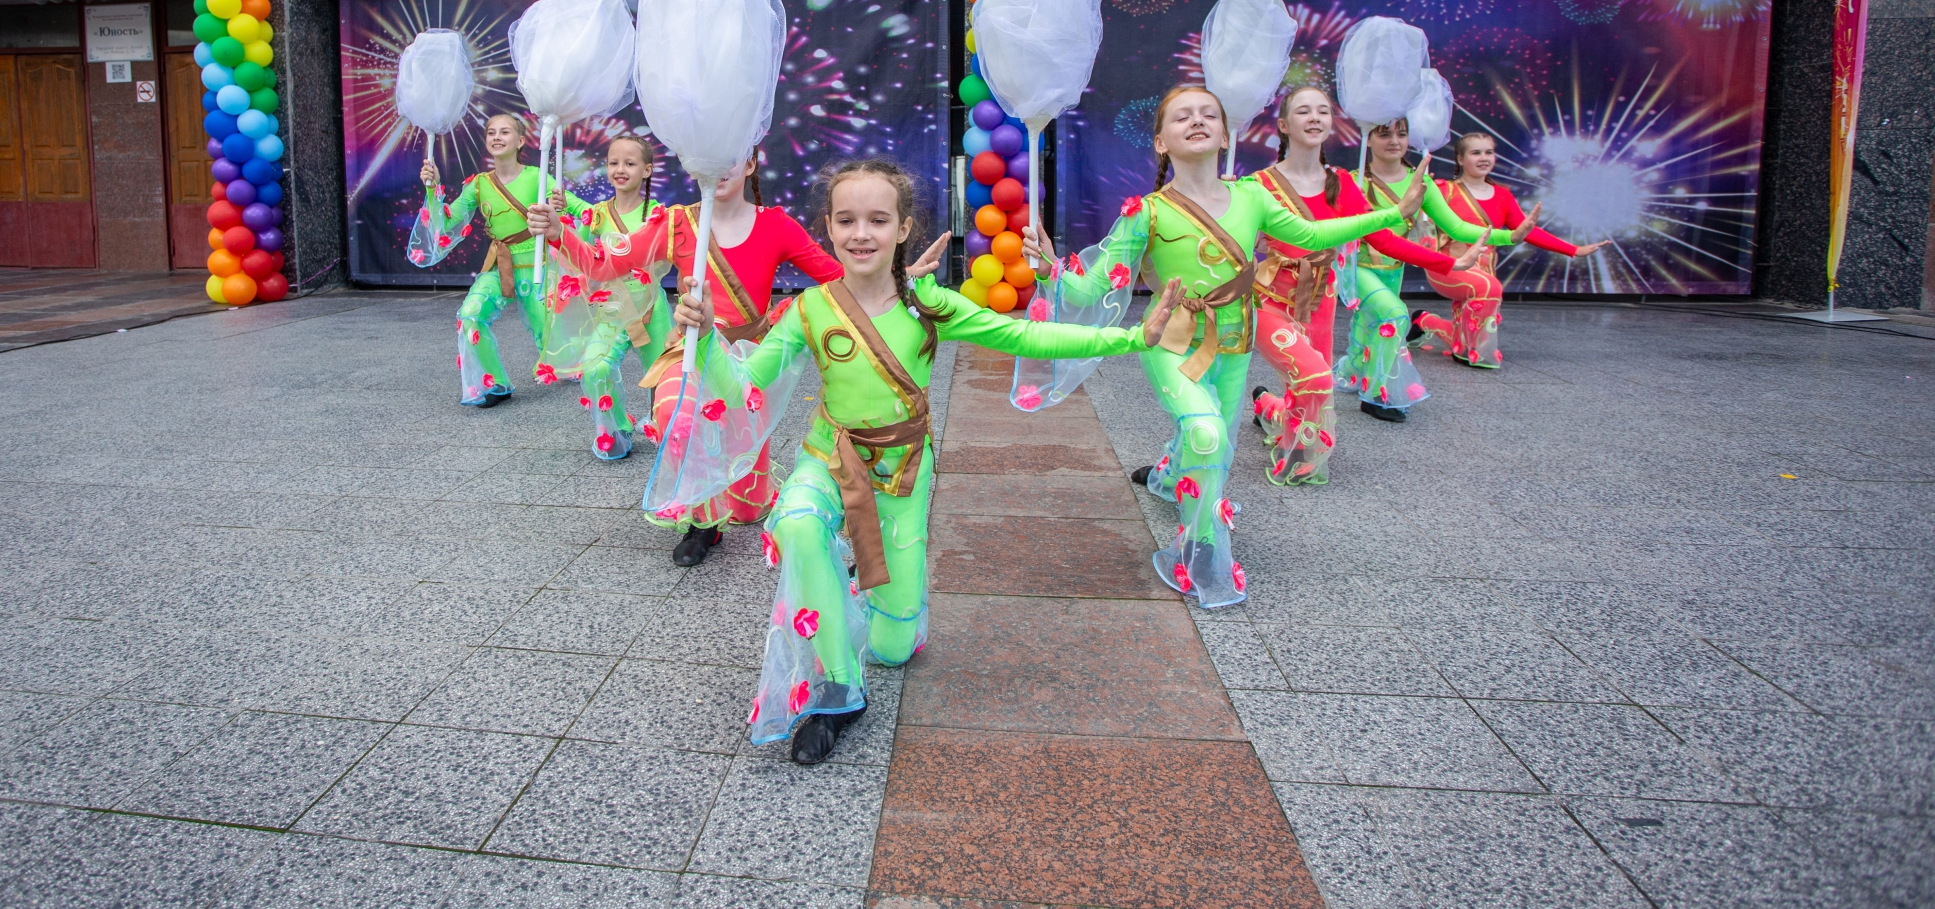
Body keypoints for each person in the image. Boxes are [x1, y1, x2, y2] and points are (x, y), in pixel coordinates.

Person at [668, 158, 1187, 764]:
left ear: (904, 227)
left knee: (893, 648)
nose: (862, 233)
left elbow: (1022, 335)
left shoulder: (928, 303)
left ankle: (869, 605)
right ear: (827, 228)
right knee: (797, 525)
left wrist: (1131, 338)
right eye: (846, 220)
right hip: (829, 457)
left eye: (878, 219)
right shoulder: (809, 308)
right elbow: (745, 386)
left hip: (904, 471)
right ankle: (839, 689)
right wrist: (706, 341)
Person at [1025, 86, 1410, 608]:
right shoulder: (1147, 213)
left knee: (1219, 444)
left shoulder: (1253, 198)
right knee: (1206, 433)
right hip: (1171, 343)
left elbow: (1313, 236)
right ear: (1161, 141)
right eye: (1182, 117)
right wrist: (1049, 268)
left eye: (1209, 115)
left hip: (1236, 343)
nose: (1197, 121)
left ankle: (1169, 478)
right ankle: (1202, 544)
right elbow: (1091, 289)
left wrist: (1390, 214)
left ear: (1226, 136)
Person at [531, 148, 849, 568]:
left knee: (748, 508)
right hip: (690, 351)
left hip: (747, 360)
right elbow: (602, 265)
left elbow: (839, 278)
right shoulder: (677, 223)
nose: (718, 167)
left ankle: (741, 492)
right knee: (675, 415)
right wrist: (559, 232)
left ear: (750, 164)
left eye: (731, 156)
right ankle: (702, 522)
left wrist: (903, 283)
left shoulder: (776, 225)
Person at [1246, 87, 1481, 484]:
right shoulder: (1257, 185)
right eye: (1304, 111)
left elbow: (1382, 239)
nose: (1315, 117)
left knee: (1309, 387)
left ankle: (1268, 407)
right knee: (1314, 378)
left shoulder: (1340, 183)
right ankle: (1296, 454)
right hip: (1269, 299)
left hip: (1320, 299)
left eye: (1323, 111)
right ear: (1284, 125)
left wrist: (1448, 262)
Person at [1337, 116, 1535, 420]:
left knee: (1370, 325)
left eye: (1402, 134)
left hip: (1394, 268)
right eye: (1384, 134)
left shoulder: (1422, 183)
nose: (1394, 141)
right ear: (1369, 138)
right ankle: (1378, 394)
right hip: (1356, 268)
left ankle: (1352, 371)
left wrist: (1508, 236)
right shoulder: (1352, 181)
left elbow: (1456, 227)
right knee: (1393, 314)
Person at [410, 112, 573, 407]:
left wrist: (564, 208)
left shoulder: (537, 178)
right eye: (491, 132)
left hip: (539, 268)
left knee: (552, 338)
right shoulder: (479, 184)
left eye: (505, 132)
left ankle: (571, 363)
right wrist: (433, 189)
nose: (497, 137)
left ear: (520, 141)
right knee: (470, 316)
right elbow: (446, 223)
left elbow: (575, 211)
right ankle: (494, 383)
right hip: (500, 267)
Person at [1413, 131, 1605, 368]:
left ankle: (1425, 322)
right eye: (1476, 153)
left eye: (1489, 152)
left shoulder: (1503, 196)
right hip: (1447, 265)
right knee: (1488, 290)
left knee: (1470, 330)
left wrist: (1573, 250)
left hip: (1484, 269)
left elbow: (1526, 231)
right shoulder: (1443, 190)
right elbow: (1413, 217)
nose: (1484, 158)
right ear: (1460, 159)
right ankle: (1470, 352)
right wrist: (1419, 192)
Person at [571, 134, 674, 460]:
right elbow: (580, 255)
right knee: (595, 368)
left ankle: (665, 428)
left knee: (663, 375)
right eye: (613, 162)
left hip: (650, 310)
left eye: (630, 163)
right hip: (612, 310)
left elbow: (670, 256)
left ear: (647, 170)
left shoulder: (658, 214)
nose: (620, 169)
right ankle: (615, 430)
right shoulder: (597, 215)